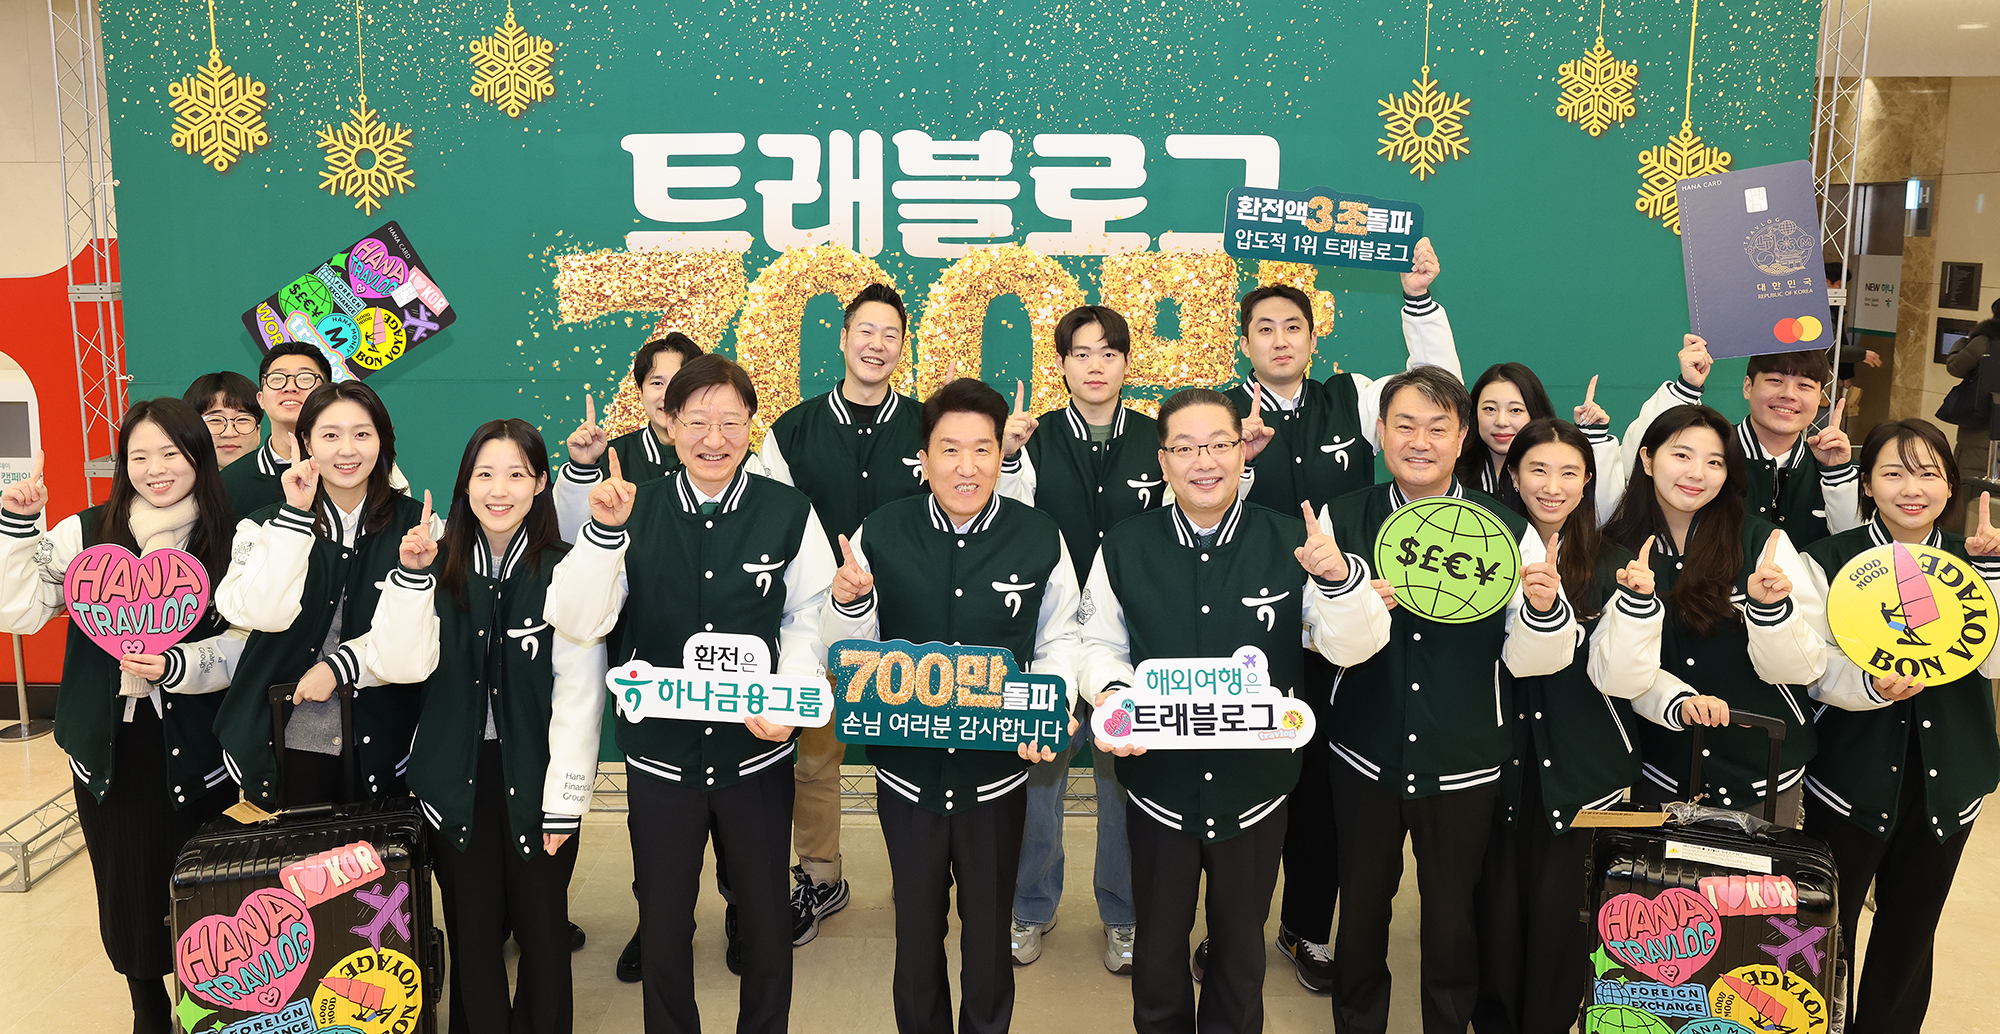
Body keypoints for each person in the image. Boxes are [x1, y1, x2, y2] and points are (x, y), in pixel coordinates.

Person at [1077, 386, 1387, 1034]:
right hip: (1158, 786)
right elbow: (1097, 643)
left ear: (1243, 453)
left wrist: (1337, 582)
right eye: (1185, 448)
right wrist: (1112, 694)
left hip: (1257, 791)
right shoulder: (1125, 545)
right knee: (1158, 954)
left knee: (1241, 957)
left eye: (1219, 444)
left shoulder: (1291, 541)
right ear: (1162, 462)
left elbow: (1351, 644)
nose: (1204, 461)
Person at [547, 355, 834, 1034]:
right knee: (665, 927)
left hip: (755, 760)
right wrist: (602, 533)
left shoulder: (788, 511)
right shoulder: (629, 505)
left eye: (730, 422)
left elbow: (808, 618)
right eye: (697, 420)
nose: (715, 437)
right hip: (659, 762)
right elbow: (581, 621)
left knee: (766, 927)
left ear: (750, 428)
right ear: (669, 424)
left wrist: (788, 697)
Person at [1219, 239, 1459, 993]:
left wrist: (1418, 301)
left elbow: (1439, 390)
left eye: (1293, 326)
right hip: (1247, 632)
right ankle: (1229, 935)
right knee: (1244, 791)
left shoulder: (1353, 394)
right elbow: (1189, 504)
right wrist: (1244, 459)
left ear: (1313, 338)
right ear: (1246, 342)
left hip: (1344, 627)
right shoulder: (1220, 415)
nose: (1281, 339)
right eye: (1265, 328)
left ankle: (1304, 929)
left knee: (1322, 795)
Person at [1319, 364, 1577, 1034]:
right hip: (1364, 754)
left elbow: (1534, 657)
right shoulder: (1344, 517)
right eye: (1404, 424)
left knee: (1453, 919)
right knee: (1363, 910)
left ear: (1463, 438)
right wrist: (1349, 603)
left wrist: (1547, 611)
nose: (1420, 440)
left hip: (1463, 760)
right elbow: (1318, 640)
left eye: (1438, 427)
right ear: (1379, 433)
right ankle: (1357, 1021)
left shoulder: (1504, 527)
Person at [820, 378, 1080, 1034]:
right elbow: (846, 652)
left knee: (990, 939)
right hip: (905, 777)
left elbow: (1061, 641)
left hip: (996, 779)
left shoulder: (1039, 535)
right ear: (925, 457)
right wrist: (848, 603)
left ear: (1001, 455)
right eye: (950, 450)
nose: (967, 467)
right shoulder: (880, 530)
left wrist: (1049, 712)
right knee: (915, 932)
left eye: (982, 450)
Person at [0, 400, 242, 1034]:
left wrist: (176, 664)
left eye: (172, 453)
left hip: (199, 740)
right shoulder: (85, 533)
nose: (156, 469)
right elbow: (19, 610)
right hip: (112, 745)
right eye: (139, 456)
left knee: (203, 881)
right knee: (126, 879)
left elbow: (252, 641)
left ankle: (211, 997)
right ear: (122, 464)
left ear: (200, 457)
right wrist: (19, 526)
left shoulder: (232, 536)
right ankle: (147, 1004)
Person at [365, 419, 606, 1034]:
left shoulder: (565, 565)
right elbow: (397, 662)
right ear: (465, 484)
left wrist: (566, 801)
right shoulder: (431, 560)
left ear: (541, 483)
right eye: (485, 474)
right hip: (454, 780)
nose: (500, 490)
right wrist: (413, 577)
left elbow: (580, 693)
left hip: (538, 778)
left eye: (517, 475)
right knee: (473, 935)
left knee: (543, 932)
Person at [1796, 419, 2000, 1033]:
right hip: (1848, 778)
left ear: (1950, 486)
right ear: (1866, 485)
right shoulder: (1828, 558)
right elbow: (1808, 669)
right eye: (1893, 472)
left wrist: (1991, 575)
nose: (1912, 489)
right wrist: (1866, 686)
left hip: (1950, 779)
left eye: (1929, 473)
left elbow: (1994, 661)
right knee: (1820, 932)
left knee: (1911, 931)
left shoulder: (1979, 557)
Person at [757, 283, 930, 945]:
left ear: (902, 346)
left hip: (910, 630)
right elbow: (763, 524)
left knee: (913, 758)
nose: (876, 344)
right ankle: (822, 877)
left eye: (890, 334)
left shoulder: (927, 427)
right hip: (820, 628)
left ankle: (926, 878)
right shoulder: (792, 430)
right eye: (866, 330)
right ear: (843, 337)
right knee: (815, 761)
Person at [995, 304, 1158, 974]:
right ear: (1061, 364)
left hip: (1131, 640)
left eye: (1109, 352)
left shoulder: (1160, 438)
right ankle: (1031, 906)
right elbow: (1008, 515)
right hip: (1051, 635)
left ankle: (1123, 915)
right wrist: (1005, 455)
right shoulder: (1032, 438)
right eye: (1082, 353)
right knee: (1040, 777)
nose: (1096, 365)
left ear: (1126, 363)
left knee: (1123, 780)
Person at [1469, 418, 1646, 1034]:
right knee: (1491, 916)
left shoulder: (1622, 565)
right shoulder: (1479, 551)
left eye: (1570, 472)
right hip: (1495, 764)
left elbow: (1633, 675)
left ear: (1589, 480)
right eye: (1537, 470)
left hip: (1585, 773)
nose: (1553, 485)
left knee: (1563, 921)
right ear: (1512, 475)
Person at [1598, 404, 1827, 823]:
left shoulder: (1763, 543)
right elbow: (1615, 674)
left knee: (1755, 891)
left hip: (1765, 770)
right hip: (1661, 773)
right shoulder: (1614, 549)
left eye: (1715, 462)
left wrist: (1770, 610)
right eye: (1681, 455)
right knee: (1669, 890)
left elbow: (1805, 668)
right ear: (1647, 459)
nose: (1697, 473)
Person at [213, 380, 429, 808]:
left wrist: (340, 666)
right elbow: (264, 614)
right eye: (330, 435)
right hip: (287, 733)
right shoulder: (263, 525)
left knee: (377, 871)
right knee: (294, 870)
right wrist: (294, 516)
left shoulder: (419, 527)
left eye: (362, 434)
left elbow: (420, 638)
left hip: (385, 735)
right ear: (305, 441)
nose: (347, 450)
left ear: (383, 442)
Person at [1622, 335, 1859, 548]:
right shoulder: (1712, 454)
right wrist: (1687, 387)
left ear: (1820, 398)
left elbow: (1857, 545)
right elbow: (1634, 464)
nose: (1789, 394)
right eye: (1775, 380)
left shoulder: (1836, 468)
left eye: (1805, 386)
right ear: (1747, 387)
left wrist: (1837, 472)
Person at [555, 331, 704, 544]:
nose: (667, 395)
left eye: (679, 382)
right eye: (657, 383)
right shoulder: (610, 458)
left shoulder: (722, 458)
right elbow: (569, 539)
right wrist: (583, 467)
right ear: (640, 392)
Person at [1454, 365, 1625, 523]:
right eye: (1490, 409)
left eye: (1516, 410)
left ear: (1535, 414)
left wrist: (1593, 437)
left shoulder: (1558, 479)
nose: (1502, 421)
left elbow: (1602, 519)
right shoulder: (1452, 474)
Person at [219, 343, 331, 518]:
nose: (290, 387)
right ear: (261, 399)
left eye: (305, 378)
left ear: (327, 394)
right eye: (277, 378)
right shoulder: (230, 481)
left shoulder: (347, 469)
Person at [1945, 297, 2000, 502]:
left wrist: (1967, 339)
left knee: (1969, 494)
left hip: (1978, 429)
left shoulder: (1985, 341)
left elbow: (1955, 366)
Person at [183, 371, 263, 469]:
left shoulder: (281, 483)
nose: (229, 433)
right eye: (215, 420)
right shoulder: (174, 482)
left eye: (242, 419)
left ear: (258, 433)